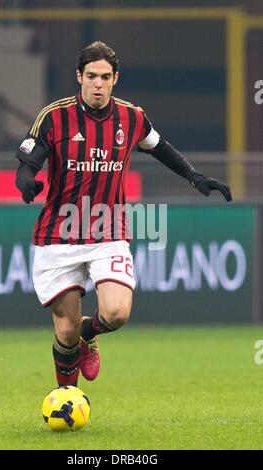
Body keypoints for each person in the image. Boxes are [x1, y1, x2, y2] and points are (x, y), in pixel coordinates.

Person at [15, 41, 232, 388]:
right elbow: (29, 159)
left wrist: (194, 175)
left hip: (108, 231)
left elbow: (159, 146)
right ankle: (67, 396)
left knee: (116, 312)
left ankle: (91, 332)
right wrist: (26, 181)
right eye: (91, 76)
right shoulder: (55, 116)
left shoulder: (131, 117)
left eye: (104, 77)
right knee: (65, 329)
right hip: (58, 233)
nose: (97, 84)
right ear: (79, 77)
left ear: (115, 78)